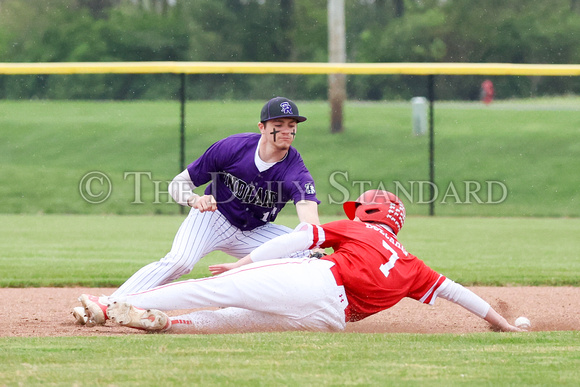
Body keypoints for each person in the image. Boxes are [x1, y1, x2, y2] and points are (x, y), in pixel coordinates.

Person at [78, 190, 524, 333]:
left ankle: (109, 303)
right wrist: (502, 325)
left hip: (320, 282)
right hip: (330, 320)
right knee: (231, 319)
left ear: (370, 213)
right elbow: (455, 291)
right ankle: (166, 324)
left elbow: (301, 236)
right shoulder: (414, 265)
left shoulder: (358, 229)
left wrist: (243, 263)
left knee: (213, 289)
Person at [73, 96, 322, 326]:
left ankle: (272, 312)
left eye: (292, 124)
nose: (287, 130)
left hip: (256, 231)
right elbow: (177, 185)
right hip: (213, 218)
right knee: (180, 261)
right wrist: (194, 199)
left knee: (303, 254)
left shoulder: (295, 171)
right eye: (279, 123)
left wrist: (315, 244)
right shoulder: (232, 148)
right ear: (262, 127)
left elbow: (308, 215)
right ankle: (106, 305)